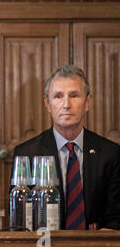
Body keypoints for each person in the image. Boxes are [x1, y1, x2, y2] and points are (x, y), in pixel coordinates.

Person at [13, 65, 120, 230]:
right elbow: (20, 220)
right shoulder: (27, 154)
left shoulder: (110, 153)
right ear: (47, 104)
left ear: (88, 102)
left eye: (74, 95)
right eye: (58, 96)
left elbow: (116, 215)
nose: (66, 105)